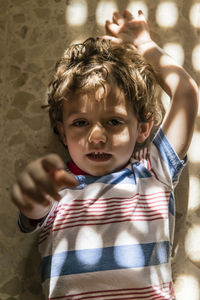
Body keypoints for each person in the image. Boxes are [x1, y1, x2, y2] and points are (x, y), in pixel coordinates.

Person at [11, 10, 198, 300]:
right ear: (61, 132)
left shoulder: (153, 170)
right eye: (80, 123)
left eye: (114, 121)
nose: (97, 136)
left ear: (143, 128)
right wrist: (34, 195)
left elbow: (186, 93)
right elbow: (31, 212)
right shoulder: (58, 185)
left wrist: (144, 44)